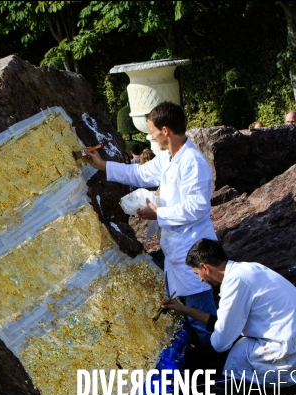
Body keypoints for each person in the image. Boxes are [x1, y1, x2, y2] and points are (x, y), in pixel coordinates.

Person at [81, 101, 218, 344]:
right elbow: (139, 174)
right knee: (185, 320)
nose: (150, 136)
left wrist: (159, 214)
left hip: (193, 250)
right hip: (175, 251)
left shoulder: (193, 163)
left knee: (203, 321)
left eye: (152, 131)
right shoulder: (167, 157)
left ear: (165, 130)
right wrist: (102, 165)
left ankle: (220, 373)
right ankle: (205, 367)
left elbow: (197, 208)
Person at [162, 239, 296, 394]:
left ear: (205, 267)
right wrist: (183, 309)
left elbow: (221, 343)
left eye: (198, 273)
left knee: (199, 356)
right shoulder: (248, 269)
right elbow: (224, 325)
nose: (201, 279)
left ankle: (209, 388)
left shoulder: (235, 282)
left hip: (287, 353)